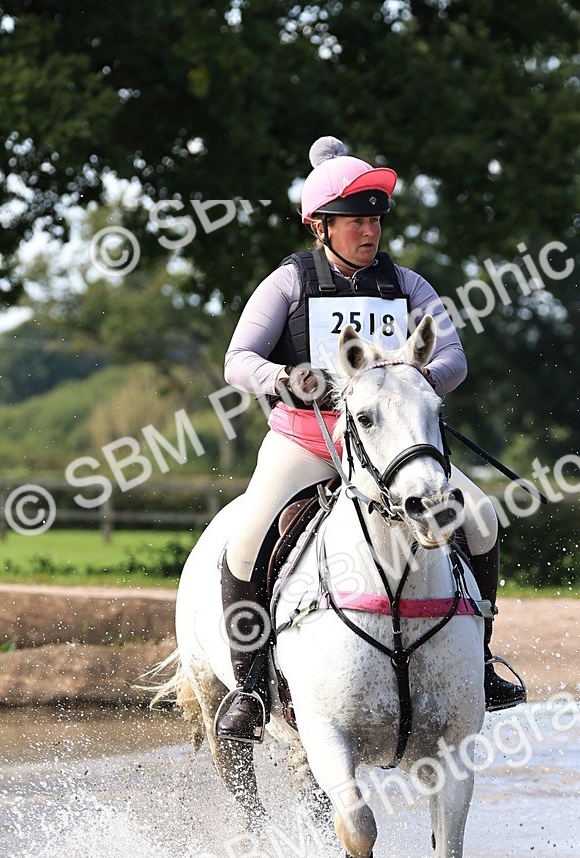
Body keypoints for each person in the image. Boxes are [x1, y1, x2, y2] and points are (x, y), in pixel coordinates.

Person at [219, 136, 525, 741]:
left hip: (392, 447)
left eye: (375, 220)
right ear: (320, 226)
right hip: (309, 443)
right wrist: (283, 378)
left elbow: (454, 357)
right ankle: (250, 688)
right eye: (355, 221)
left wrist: (412, 381)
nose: (369, 231)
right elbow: (238, 360)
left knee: (483, 518)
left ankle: (482, 662)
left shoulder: (407, 284)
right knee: (247, 541)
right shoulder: (287, 284)